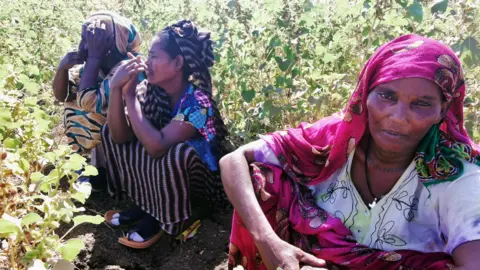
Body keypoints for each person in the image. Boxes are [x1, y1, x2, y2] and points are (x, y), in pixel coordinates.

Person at [220, 34, 480, 270]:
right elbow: (234, 160)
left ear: (443, 110)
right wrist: (269, 242)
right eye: (387, 96)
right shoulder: (338, 139)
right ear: (366, 94)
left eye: (422, 103)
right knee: (262, 177)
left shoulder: (456, 175)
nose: (399, 117)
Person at [102, 20, 229, 249]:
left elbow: (157, 147)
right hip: (163, 176)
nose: (146, 62)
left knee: (176, 154)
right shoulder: (150, 91)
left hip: (198, 185)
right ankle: (148, 205)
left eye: (153, 56)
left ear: (178, 62)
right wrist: (116, 89)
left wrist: (129, 98)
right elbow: (119, 138)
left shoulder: (198, 103)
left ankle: (168, 219)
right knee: (109, 130)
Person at [52, 11, 142, 180]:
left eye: (93, 40)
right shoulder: (93, 66)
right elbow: (62, 96)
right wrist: (62, 69)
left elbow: (88, 102)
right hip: (102, 146)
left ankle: (105, 173)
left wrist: (94, 57)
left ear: (113, 42)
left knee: (96, 114)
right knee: (73, 102)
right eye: (84, 39)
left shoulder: (129, 66)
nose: (83, 46)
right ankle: (90, 164)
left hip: (127, 148)